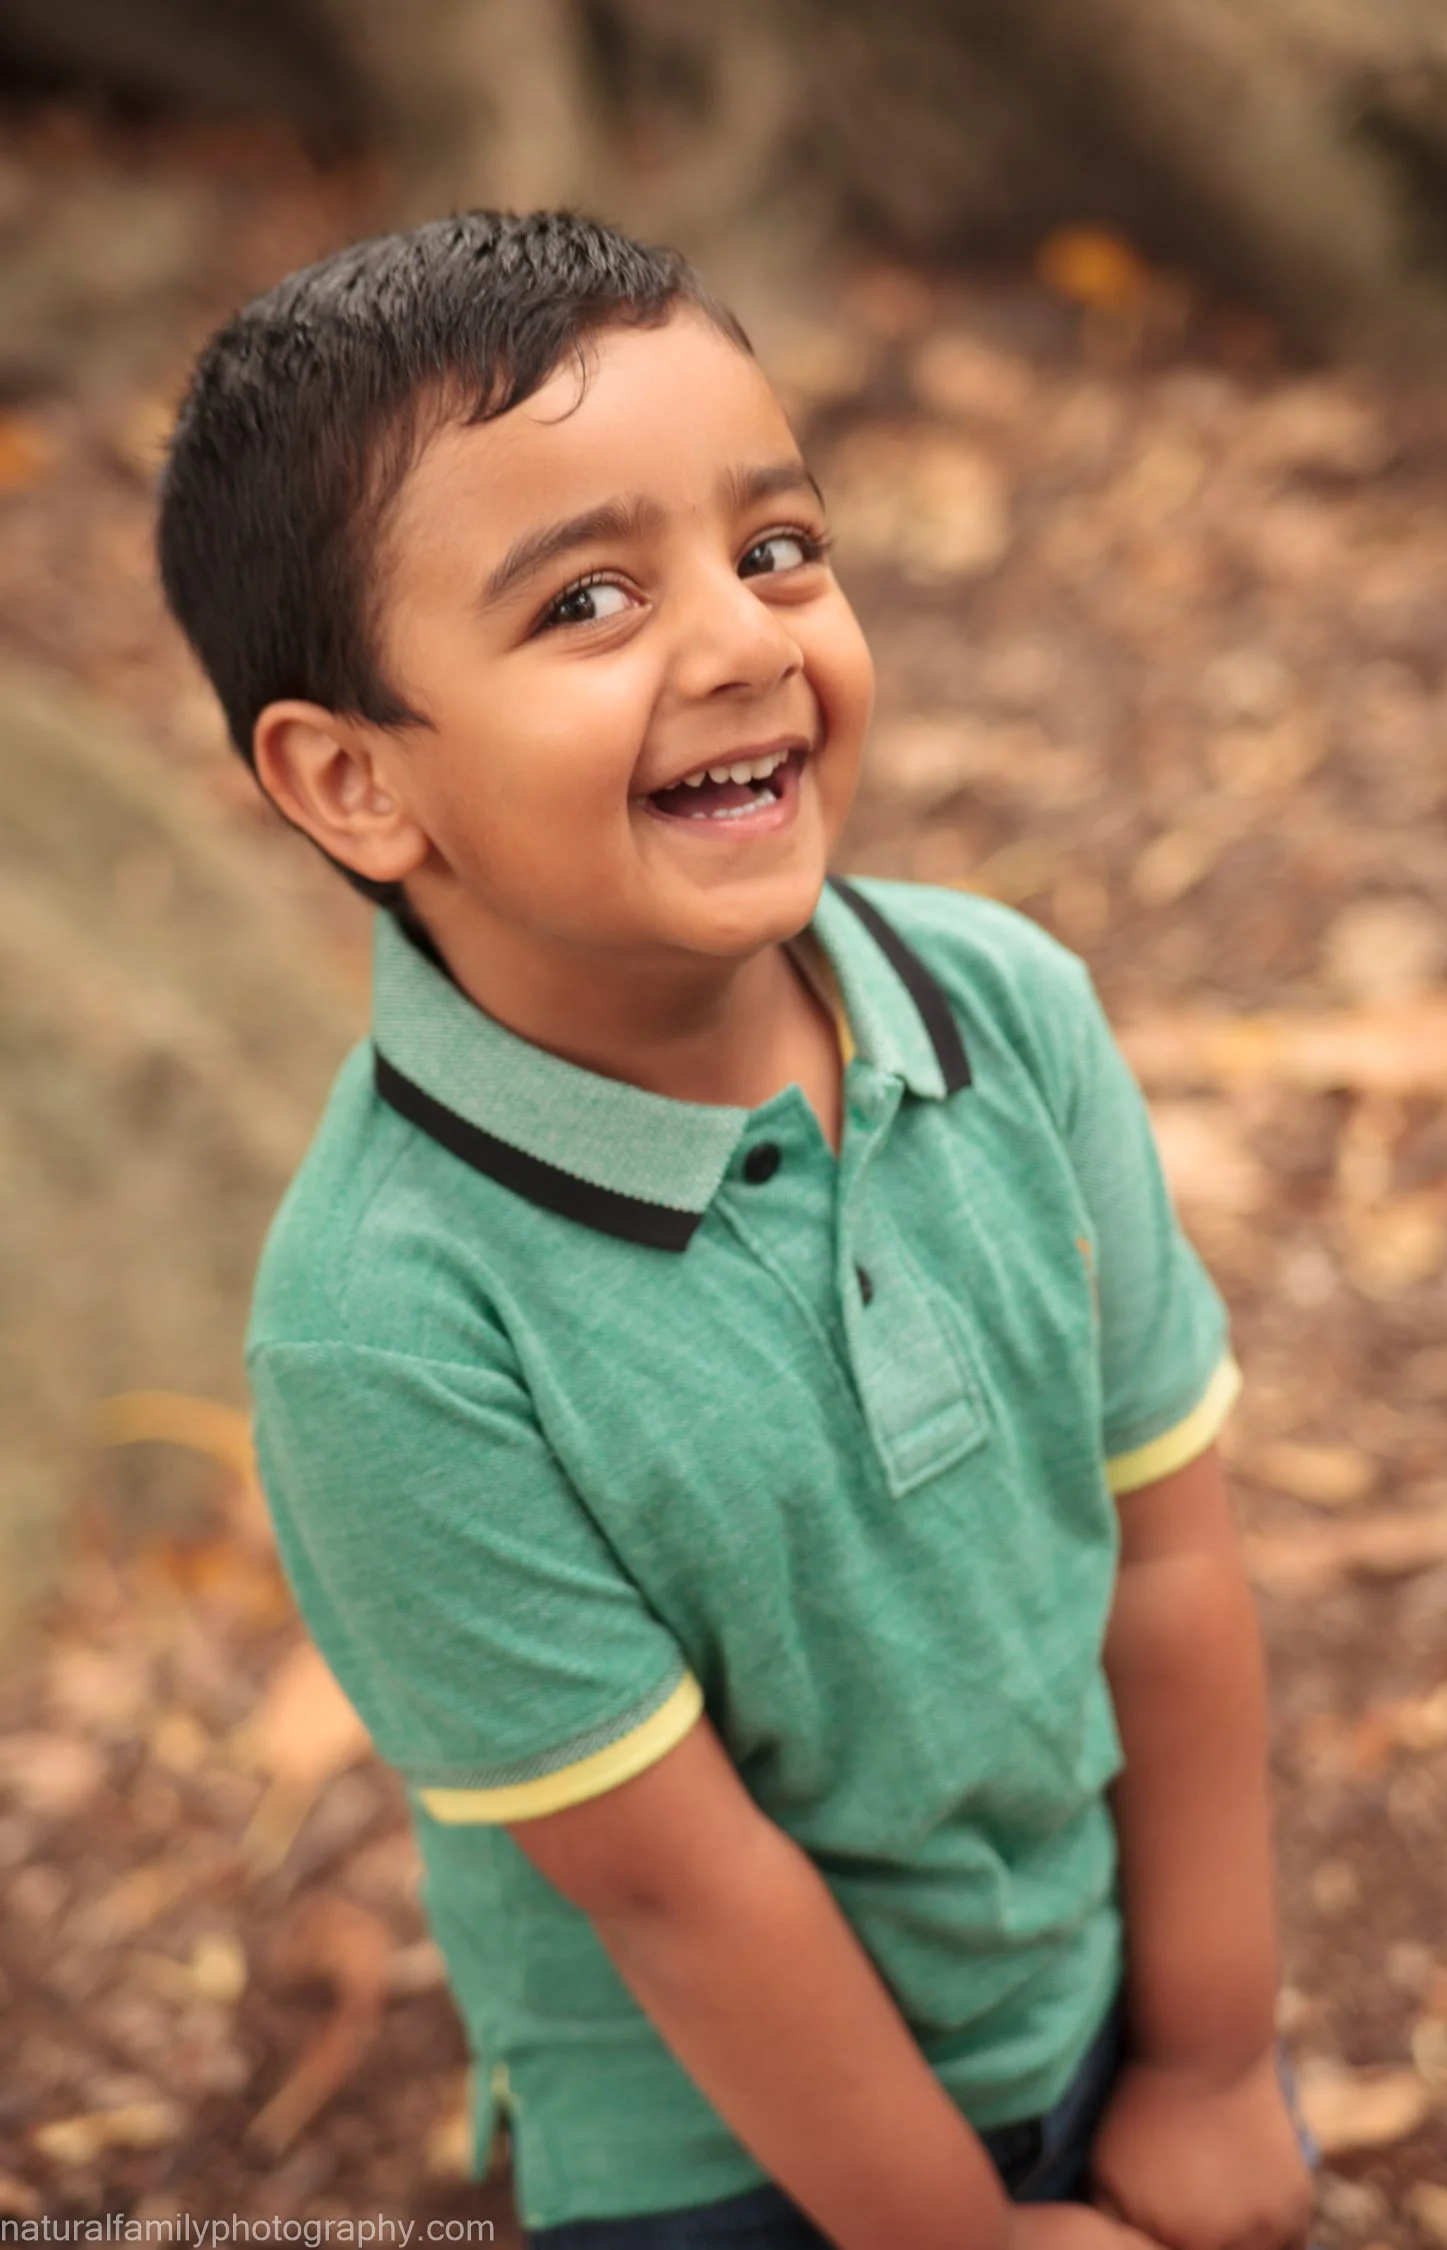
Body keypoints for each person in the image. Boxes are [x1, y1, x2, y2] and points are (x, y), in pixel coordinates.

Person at [156, 211, 1314, 2250]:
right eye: (591, 598)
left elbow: (1172, 1547)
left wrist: (1209, 2055)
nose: (747, 640)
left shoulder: (1006, 1016)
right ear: (351, 781)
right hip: (736, 2160)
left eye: (776, 548)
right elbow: (683, 1893)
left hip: (1100, 1988)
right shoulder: (392, 1331)